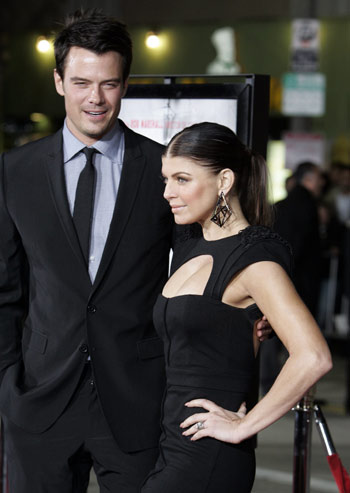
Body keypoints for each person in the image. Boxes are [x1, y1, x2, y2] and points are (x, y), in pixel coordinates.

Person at [0, 9, 271, 493]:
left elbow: (205, 277)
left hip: (139, 400)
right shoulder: (14, 172)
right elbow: (6, 289)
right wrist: (8, 385)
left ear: (125, 84)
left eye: (109, 84)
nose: (95, 99)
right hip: (38, 401)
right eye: (82, 82)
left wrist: (241, 351)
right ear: (59, 80)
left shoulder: (162, 169)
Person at [140, 122, 332, 493]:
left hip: (208, 455)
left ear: (224, 180)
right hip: (173, 444)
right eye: (166, 179)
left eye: (182, 179)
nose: (167, 192)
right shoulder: (193, 246)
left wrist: (244, 425)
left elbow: (313, 356)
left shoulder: (254, 259)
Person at [274, 161, 324, 316]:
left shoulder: (284, 203)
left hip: (282, 267)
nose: (321, 183)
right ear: (308, 179)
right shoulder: (308, 204)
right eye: (318, 178)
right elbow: (303, 239)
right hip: (302, 273)